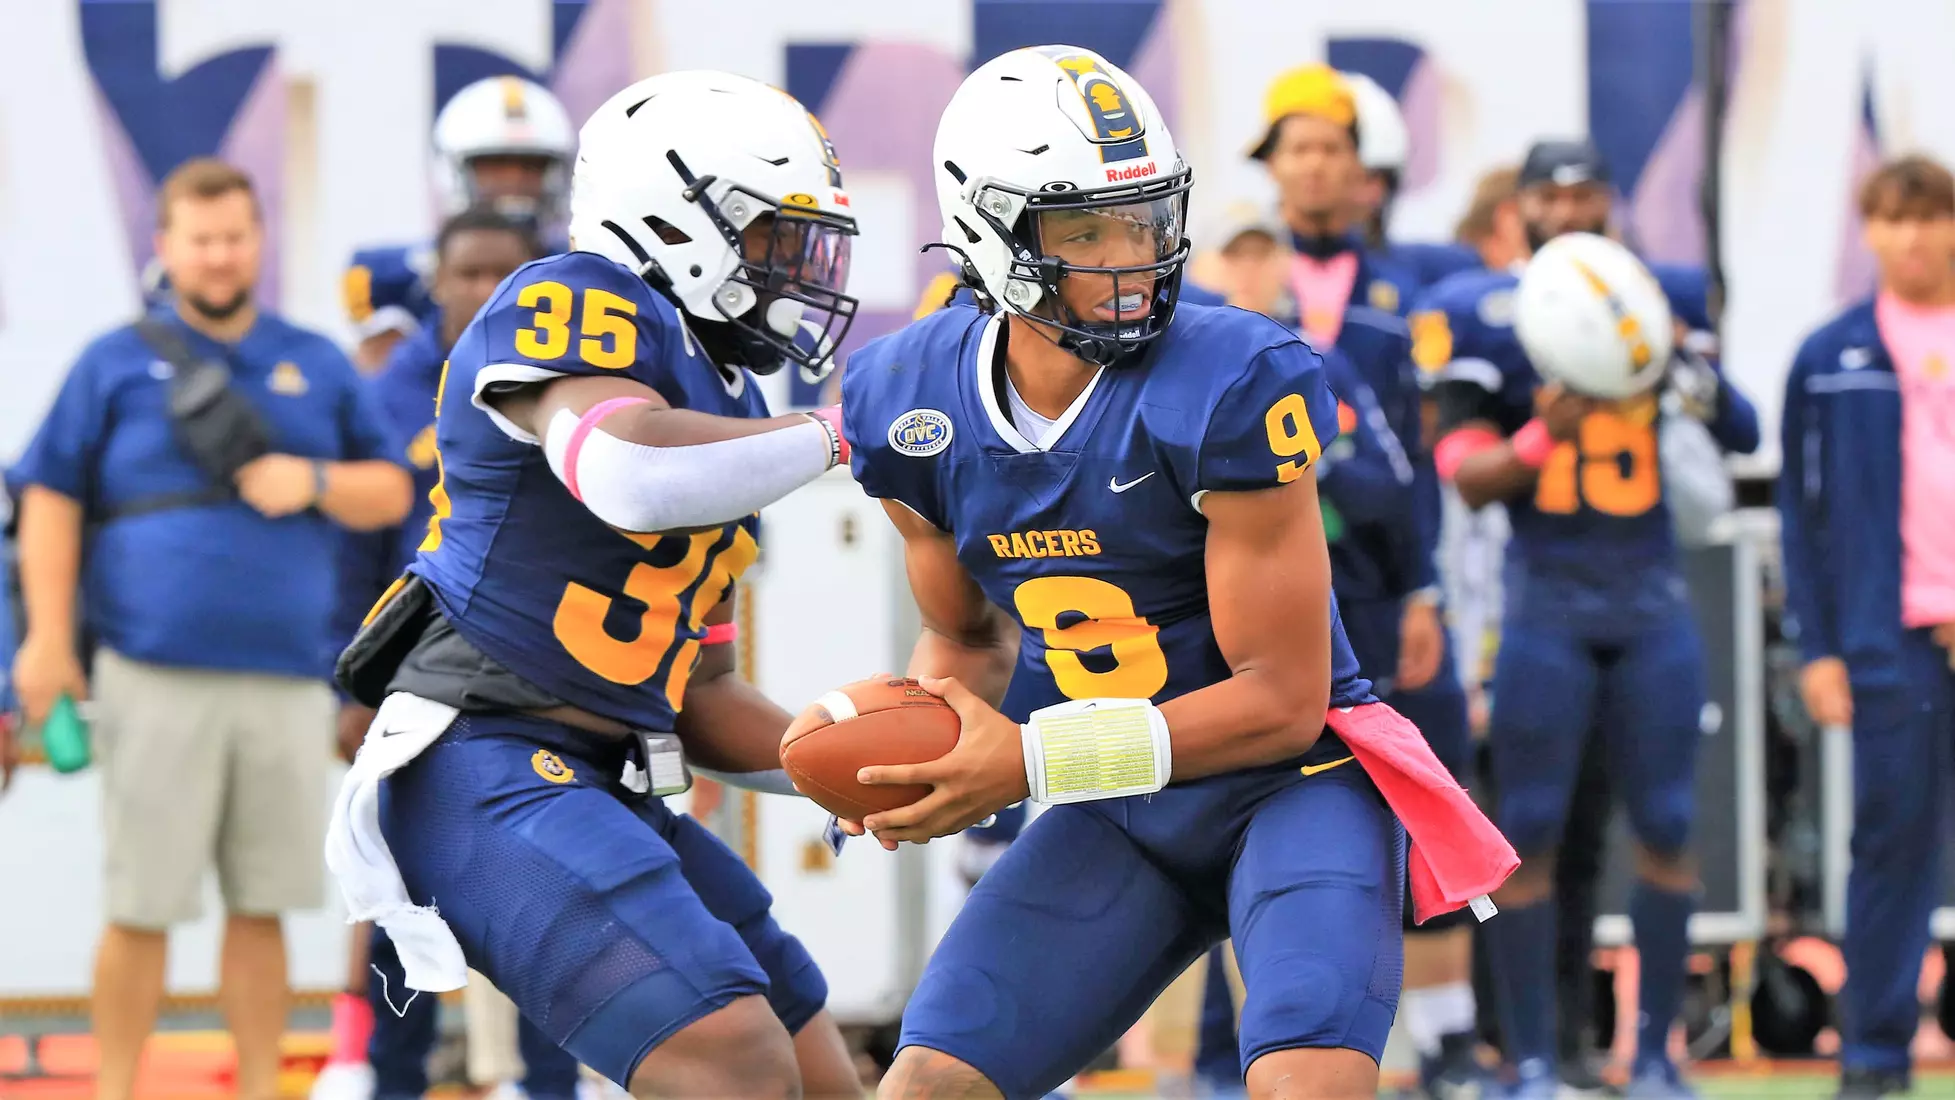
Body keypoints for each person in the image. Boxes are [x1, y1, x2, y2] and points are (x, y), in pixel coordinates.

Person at [828, 45, 1514, 1099]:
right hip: (1114, 807)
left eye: (1143, 219)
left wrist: (1029, 759)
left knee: (1304, 1084)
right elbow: (965, 638)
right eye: (1083, 231)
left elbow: (1280, 702)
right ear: (988, 231)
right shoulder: (907, 398)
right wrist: (916, 750)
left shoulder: (1231, 376)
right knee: (928, 1082)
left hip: (1292, 786)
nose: (1129, 258)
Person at [323, 70, 868, 1099]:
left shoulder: (728, 398)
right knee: (733, 1057)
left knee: (814, 1065)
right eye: (771, 233)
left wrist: (843, 760)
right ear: (675, 216)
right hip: (482, 755)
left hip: (608, 775)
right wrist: (843, 431)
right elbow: (627, 467)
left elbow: (700, 694)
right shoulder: (575, 295)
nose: (795, 266)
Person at [9, 158, 412, 1100]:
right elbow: (49, 498)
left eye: (235, 237)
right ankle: (115, 1088)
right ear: (165, 246)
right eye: (201, 240)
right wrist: (45, 640)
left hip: (286, 680)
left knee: (265, 905)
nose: (220, 256)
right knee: (140, 905)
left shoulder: (316, 361)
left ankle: (262, 1085)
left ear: (258, 241)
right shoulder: (111, 362)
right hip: (153, 674)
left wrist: (312, 480)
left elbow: (391, 489)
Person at [1424, 222, 1760, 1097]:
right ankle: (1531, 1059)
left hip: (1650, 608)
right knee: (1527, 826)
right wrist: (1542, 436)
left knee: (1668, 824)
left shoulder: (1656, 310)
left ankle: (1654, 1057)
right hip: (1548, 611)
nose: (1567, 205)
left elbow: (1743, 429)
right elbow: (1469, 478)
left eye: (1583, 193)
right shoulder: (1494, 323)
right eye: (1550, 193)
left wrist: (1681, 362)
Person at [1200, 174, 1486, 1097]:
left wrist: (1308, 464)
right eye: (1235, 255)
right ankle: (1230, 1054)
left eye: (1262, 252)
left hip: (1346, 619)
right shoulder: (1174, 370)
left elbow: (1391, 489)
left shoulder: (1313, 362)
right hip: (1221, 636)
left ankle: (1442, 1041)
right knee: (1228, 840)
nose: (1250, 271)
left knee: (1401, 818)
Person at [310, 208, 592, 1100]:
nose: (481, 289)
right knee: (403, 890)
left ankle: (551, 1085)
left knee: (549, 886)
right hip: (417, 676)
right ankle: (392, 1078)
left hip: (545, 670)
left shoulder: (575, 381)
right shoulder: (390, 392)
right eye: (465, 272)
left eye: (501, 273)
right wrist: (347, 681)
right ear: (434, 281)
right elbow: (352, 554)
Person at [1779, 154, 1955, 1100]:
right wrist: (1818, 647)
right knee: (1890, 842)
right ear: (1869, 231)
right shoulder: (1830, 355)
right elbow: (1802, 518)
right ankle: (1875, 1056)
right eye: (1891, 218)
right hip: (1891, 639)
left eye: (1928, 216)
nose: (1911, 237)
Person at [342, 76, 575, 371]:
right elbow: (381, 380)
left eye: (530, 167)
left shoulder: (576, 263)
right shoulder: (395, 273)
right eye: (495, 167)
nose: (514, 181)